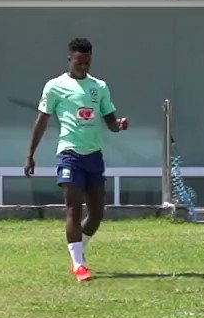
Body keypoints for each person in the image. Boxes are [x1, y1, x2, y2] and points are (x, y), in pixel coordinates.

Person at [25, 38, 129, 283]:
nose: (84, 66)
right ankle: (79, 264)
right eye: (79, 62)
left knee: (96, 214)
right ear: (69, 59)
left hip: (94, 155)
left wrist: (120, 126)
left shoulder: (100, 87)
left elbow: (110, 123)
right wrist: (31, 154)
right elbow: (42, 121)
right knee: (73, 208)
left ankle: (77, 251)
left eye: (88, 62)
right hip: (69, 154)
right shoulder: (55, 87)